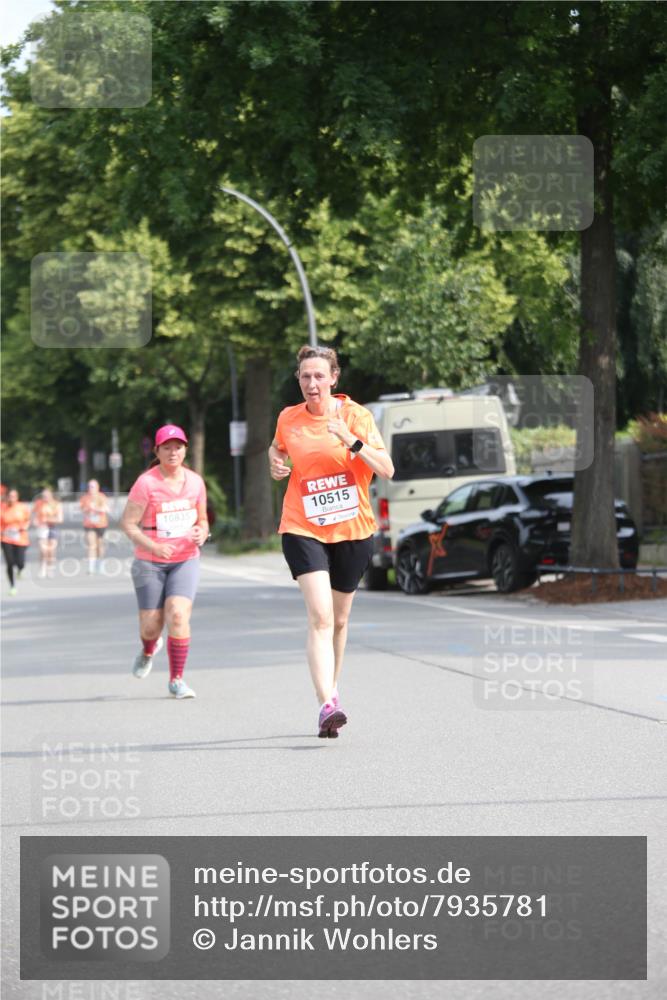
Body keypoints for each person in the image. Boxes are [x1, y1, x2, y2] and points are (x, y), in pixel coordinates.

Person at [269, 345, 394, 737]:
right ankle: (326, 705)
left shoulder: (356, 416)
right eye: (305, 376)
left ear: (333, 379)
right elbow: (278, 447)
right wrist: (274, 461)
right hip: (302, 526)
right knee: (321, 616)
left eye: (319, 376)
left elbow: (386, 469)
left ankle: (332, 692)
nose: (311, 383)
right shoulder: (289, 418)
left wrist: (350, 440)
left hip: (352, 530)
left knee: (339, 621)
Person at [120, 425, 208, 699]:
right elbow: (128, 524)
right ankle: (148, 649)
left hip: (185, 559)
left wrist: (201, 532)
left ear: (185, 450)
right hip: (150, 562)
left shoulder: (195, 482)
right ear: (157, 451)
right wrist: (154, 547)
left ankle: (176, 679)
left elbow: (203, 520)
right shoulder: (146, 483)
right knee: (150, 626)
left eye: (178, 447)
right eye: (167, 447)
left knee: (178, 614)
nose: (173, 452)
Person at [1, 489, 31, 595]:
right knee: (9, 563)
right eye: (10, 496)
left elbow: (28, 520)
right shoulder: (2, 507)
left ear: (17, 497)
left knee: (20, 563)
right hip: (6, 538)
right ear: (7, 497)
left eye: (14, 496)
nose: (12, 498)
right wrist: (2, 531)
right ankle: (12, 586)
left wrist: (24, 527)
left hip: (20, 538)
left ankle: (20, 569)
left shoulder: (22, 507)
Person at [79, 479, 110, 573]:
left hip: (101, 524)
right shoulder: (85, 498)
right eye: (89, 486)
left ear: (97, 487)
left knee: (99, 545)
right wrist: (87, 510)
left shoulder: (102, 497)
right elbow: (81, 509)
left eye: (92, 486)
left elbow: (106, 509)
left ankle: (99, 563)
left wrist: (96, 508)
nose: (90, 488)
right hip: (89, 524)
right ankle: (91, 567)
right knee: (91, 545)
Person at [32, 487, 64, 578]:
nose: (44, 497)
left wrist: (48, 519)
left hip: (52, 527)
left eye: (46, 496)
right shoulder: (38, 503)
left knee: (51, 550)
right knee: (43, 549)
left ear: (51, 496)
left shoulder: (56, 504)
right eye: (43, 496)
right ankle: (42, 568)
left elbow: (60, 519)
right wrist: (35, 521)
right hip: (42, 528)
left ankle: (50, 568)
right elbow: (34, 514)